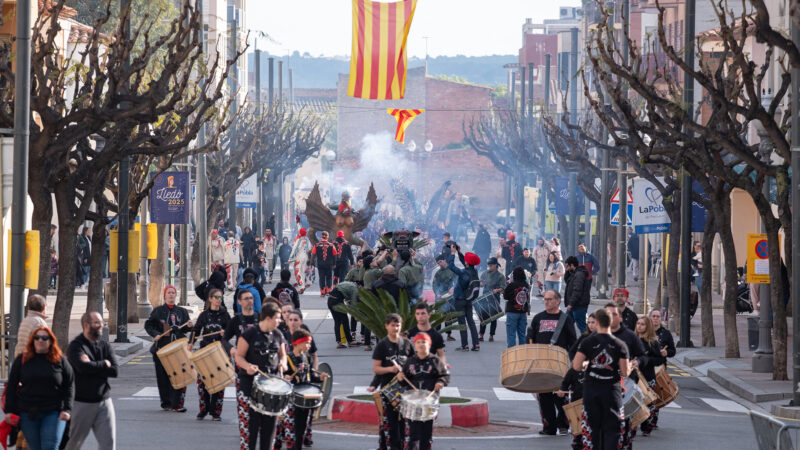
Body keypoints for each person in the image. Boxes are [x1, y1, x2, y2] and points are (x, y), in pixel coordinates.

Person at [6, 326, 73, 450]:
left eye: (44, 338)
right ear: (32, 341)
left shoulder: (60, 361)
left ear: (51, 341)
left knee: (50, 447)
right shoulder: (22, 360)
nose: (40, 340)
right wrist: (9, 411)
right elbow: (11, 386)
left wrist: (67, 409)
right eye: (37, 338)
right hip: (28, 413)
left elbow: (69, 386)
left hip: (54, 412)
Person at [572, 308, 630, 450]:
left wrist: (588, 364)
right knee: (612, 430)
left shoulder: (587, 342)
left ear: (597, 322)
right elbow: (624, 372)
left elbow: (576, 366)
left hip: (591, 391)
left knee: (594, 430)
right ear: (611, 323)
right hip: (611, 391)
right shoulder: (620, 344)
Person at [234, 303, 288, 450]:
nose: (280, 321)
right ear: (268, 318)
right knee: (249, 433)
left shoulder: (278, 335)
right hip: (250, 388)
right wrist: (247, 366)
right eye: (277, 318)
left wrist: (283, 364)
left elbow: (283, 356)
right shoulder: (248, 335)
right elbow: (239, 357)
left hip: (271, 390)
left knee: (269, 432)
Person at [63, 312, 117, 450]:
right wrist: (104, 363)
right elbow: (82, 368)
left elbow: (115, 371)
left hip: (104, 402)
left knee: (108, 444)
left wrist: (92, 365)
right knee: (73, 444)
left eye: (102, 323)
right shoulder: (76, 346)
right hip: (82, 403)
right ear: (86, 325)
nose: (101, 326)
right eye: (97, 323)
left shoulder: (105, 345)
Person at [526, 290, 577, 436]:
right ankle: (549, 426)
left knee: (561, 396)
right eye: (545, 299)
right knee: (544, 397)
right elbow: (531, 340)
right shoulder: (538, 318)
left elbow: (573, 343)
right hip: (541, 363)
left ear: (558, 300)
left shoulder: (565, 319)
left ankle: (563, 424)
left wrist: (575, 364)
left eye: (550, 299)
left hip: (559, 364)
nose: (547, 302)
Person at [274, 329, 328, 450]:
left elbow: (310, 377)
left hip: (305, 400)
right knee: (290, 431)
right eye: (307, 343)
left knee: (301, 432)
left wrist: (319, 378)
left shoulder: (306, 358)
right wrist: (285, 378)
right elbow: (279, 377)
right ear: (298, 343)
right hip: (291, 400)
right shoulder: (286, 359)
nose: (309, 345)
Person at [366, 314, 414, 450]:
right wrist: (391, 369)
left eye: (397, 325)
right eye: (392, 325)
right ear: (386, 326)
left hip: (405, 392)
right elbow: (376, 368)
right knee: (391, 425)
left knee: (405, 426)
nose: (395, 328)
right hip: (389, 393)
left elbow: (414, 365)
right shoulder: (382, 345)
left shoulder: (407, 344)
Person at [397, 332, 450, 450]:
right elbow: (404, 381)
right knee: (413, 434)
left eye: (424, 342)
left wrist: (441, 382)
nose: (421, 345)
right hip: (413, 403)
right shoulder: (410, 361)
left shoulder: (435, 360)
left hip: (429, 401)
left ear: (429, 344)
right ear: (414, 345)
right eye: (418, 342)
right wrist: (400, 378)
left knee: (426, 435)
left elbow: (445, 375)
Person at [144, 285, 192, 412]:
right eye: (169, 293)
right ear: (164, 295)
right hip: (162, 348)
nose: (171, 295)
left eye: (173, 293)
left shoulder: (182, 311)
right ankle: (166, 402)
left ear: (176, 295)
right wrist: (155, 334)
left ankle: (177, 402)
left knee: (179, 375)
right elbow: (149, 325)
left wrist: (190, 326)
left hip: (178, 349)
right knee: (163, 376)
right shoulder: (158, 311)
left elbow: (186, 328)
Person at [222, 289, 259, 449]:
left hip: (259, 367)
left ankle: (259, 429)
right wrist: (230, 348)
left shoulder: (260, 318)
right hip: (242, 368)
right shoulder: (236, 321)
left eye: (251, 298)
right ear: (239, 302)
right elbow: (224, 339)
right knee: (244, 402)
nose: (250, 301)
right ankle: (245, 432)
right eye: (246, 299)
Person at [605, 302, 645, 447]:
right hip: (601, 387)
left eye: (614, 314)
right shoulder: (597, 335)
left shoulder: (630, 336)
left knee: (624, 430)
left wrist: (637, 362)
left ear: (620, 318)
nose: (610, 317)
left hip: (624, 385)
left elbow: (642, 355)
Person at [192, 288, 231, 421]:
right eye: (215, 297)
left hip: (220, 353)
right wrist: (191, 342)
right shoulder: (204, 315)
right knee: (202, 383)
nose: (218, 300)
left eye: (220, 297)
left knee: (219, 384)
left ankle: (215, 412)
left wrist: (224, 333)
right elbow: (196, 331)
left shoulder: (225, 315)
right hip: (205, 352)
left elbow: (230, 333)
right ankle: (203, 409)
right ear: (210, 299)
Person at [633, 316, 664, 436]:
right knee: (633, 402)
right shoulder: (632, 339)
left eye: (642, 324)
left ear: (648, 327)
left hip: (647, 377)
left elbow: (659, 359)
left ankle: (646, 426)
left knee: (647, 403)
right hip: (634, 377)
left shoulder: (653, 342)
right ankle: (633, 427)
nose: (639, 326)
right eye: (638, 324)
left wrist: (645, 360)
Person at [447, 245, 481, 352]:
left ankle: (465, 345)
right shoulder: (473, 271)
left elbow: (451, 266)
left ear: (467, 263)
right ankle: (476, 345)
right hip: (468, 300)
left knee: (462, 323)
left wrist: (453, 253)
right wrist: (459, 251)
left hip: (460, 300)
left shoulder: (463, 273)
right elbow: (465, 263)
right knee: (471, 322)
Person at [649, 308, 674, 428]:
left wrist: (666, 353)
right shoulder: (645, 332)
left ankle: (653, 419)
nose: (655, 318)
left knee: (656, 394)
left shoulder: (666, 333)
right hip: (646, 366)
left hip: (659, 368)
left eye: (657, 316)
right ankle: (644, 418)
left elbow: (673, 351)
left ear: (661, 319)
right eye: (653, 316)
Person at [478, 257, 507, 342]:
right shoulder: (485, 273)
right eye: (488, 265)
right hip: (485, 297)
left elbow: (502, 287)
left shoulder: (500, 276)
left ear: (495, 265)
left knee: (494, 317)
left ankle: (491, 335)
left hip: (495, 298)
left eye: (491, 265)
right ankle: (481, 335)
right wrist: (481, 283)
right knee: (483, 316)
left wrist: (497, 290)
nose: (489, 267)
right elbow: (480, 284)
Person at [503, 267, 531, 348]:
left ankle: (512, 355)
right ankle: (522, 354)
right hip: (523, 312)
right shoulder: (526, 285)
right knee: (522, 335)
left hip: (512, 312)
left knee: (511, 335)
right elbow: (527, 299)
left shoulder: (511, 285)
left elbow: (505, 296)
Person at [431, 254, 457, 342]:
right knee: (438, 316)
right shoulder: (438, 273)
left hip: (449, 296)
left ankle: (449, 335)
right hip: (439, 296)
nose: (440, 264)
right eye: (438, 263)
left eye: (440, 262)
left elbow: (457, 280)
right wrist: (437, 293)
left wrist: (453, 287)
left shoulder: (452, 270)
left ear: (444, 260)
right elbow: (434, 285)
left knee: (448, 316)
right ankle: (437, 335)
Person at [327, 281, 359, 348]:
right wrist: (355, 313)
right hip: (337, 301)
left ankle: (339, 342)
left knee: (337, 322)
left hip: (330, 300)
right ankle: (350, 341)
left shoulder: (346, 283)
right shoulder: (354, 288)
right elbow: (353, 302)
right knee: (345, 321)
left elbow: (346, 296)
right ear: (360, 286)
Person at [563, 256, 590, 334]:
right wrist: (567, 271)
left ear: (572, 265)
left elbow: (577, 290)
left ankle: (586, 343)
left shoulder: (579, 274)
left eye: (567, 265)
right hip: (574, 305)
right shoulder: (574, 273)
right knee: (565, 324)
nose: (566, 267)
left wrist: (571, 303)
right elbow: (567, 280)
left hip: (578, 305)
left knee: (582, 326)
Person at [311, 231, 338, 296]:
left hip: (320, 264)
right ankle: (328, 291)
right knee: (329, 277)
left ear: (321, 237)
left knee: (321, 277)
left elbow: (313, 255)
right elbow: (335, 255)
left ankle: (322, 292)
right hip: (329, 264)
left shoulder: (316, 245)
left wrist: (312, 263)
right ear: (327, 237)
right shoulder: (331, 245)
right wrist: (334, 264)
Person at [289, 229, 312, 293]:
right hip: (305, 256)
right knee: (302, 272)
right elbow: (309, 249)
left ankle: (301, 287)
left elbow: (295, 250)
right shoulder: (307, 240)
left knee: (297, 272)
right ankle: (303, 285)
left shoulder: (299, 240)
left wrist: (290, 259)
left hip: (299, 257)